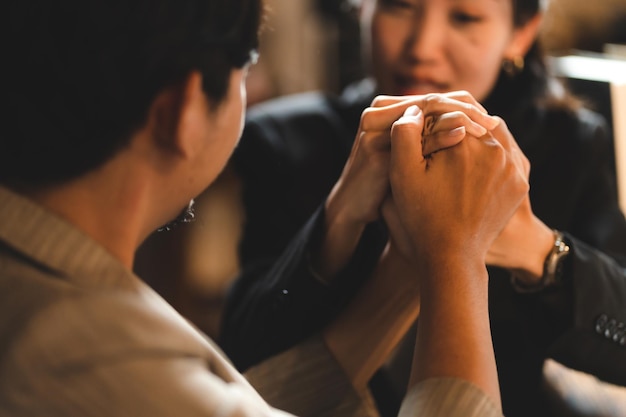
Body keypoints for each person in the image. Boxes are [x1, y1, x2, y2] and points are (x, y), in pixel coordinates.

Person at [0, 0, 531, 416]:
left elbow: (241, 401)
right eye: (246, 67)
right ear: (182, 111)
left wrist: (410, 271)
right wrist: (455, 260)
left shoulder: (46, 287)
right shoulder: (87, 357)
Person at [219, 0, 626, 416]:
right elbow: (241, 367)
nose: (422, 47)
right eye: (399, 6)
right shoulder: (284, 142)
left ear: (520, 34)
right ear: (362, 10)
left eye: (464, 17)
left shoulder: (569, 146)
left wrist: (536, 248)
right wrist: (338, 215)